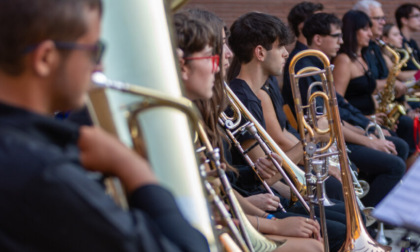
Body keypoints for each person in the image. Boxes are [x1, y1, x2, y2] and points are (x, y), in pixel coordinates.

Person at [0, 0, 210, 251]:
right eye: (93, 51)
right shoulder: (46, 176)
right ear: (45, 58)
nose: (100, 66)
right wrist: (133, 168)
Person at [175, 10, 324, 252]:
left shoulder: (207, 108)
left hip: (237, 209)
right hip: (218, 226)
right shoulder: (190, 117)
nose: (227, 57)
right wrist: (272, 223)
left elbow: (222, 184)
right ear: (182, 65)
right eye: (216, 50)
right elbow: (210, 199)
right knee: (315, 245)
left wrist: (264, 208)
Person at [227, 11, 346, 252]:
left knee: (345, 215)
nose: (285, 54)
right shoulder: (243, 99)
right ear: (260, 53)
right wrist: (312, 140)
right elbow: (266, 175)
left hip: (265, 195)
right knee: (341, 229)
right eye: (280, 47)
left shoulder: (253, 93)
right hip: (259, 203)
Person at [283, 1, 324, 111]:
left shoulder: (310, 57)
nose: (324, 24)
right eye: (318, 20)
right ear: (302, 26)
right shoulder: (301, 61)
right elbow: (317, 110)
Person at [395, 3, 420, 72]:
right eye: (417, 16)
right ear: (404, 20)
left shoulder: (412, 42)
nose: (419, 19)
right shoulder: (397, 42)